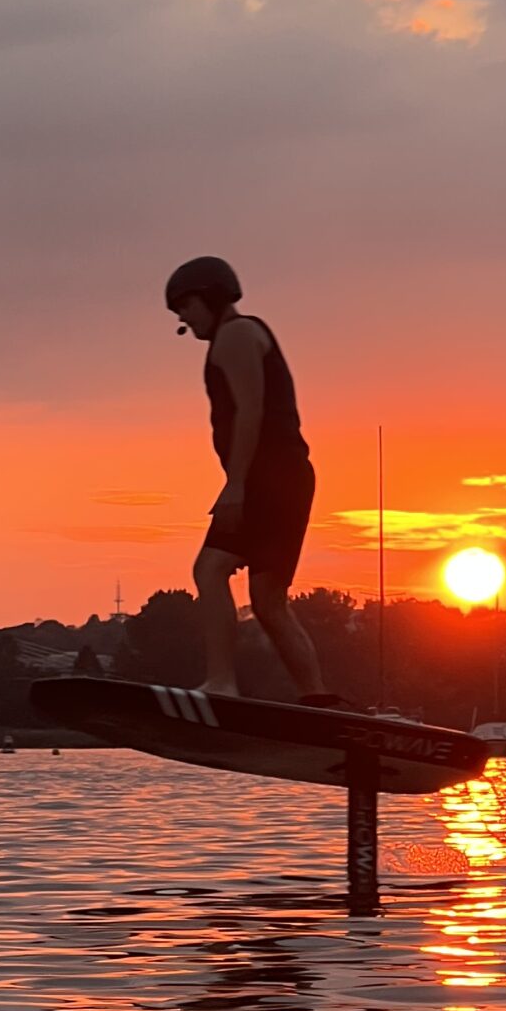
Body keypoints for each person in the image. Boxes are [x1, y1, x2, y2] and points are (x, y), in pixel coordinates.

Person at [165, 255, 330, 700]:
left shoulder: (235, 334)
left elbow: (250, 412)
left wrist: (236, 486)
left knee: (212, 569)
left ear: (212, 298)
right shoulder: (238, 335)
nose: (182, 317)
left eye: (186, 306)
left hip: (269, 481)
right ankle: (317, 699)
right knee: (268, 601)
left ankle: (222, 684)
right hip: (278, 479)